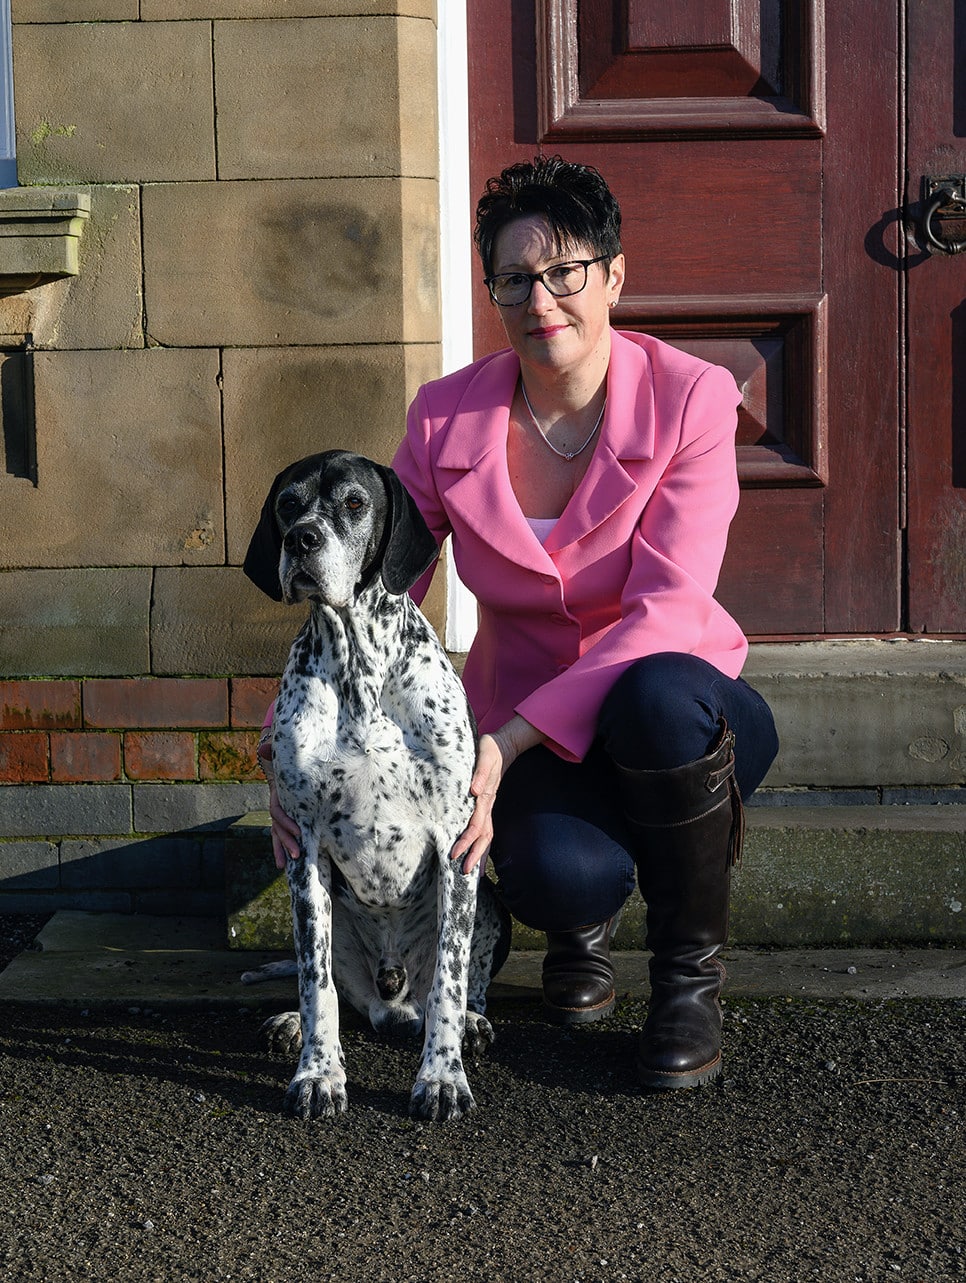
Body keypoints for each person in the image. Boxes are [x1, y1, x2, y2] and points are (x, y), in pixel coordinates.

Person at [264, 154, 779, 1091]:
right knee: (545, 873)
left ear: (613, 276)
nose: (541, 298)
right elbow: (380, 582)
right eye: (514, 278)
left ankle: (685, 984)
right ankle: (580, 931)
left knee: (658, 696)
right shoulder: (443, 417)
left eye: (566, 272)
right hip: (527, 731)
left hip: (673, 707)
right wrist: (284, 752)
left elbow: (666, 609)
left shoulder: (695, 398)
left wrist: (501, 742)